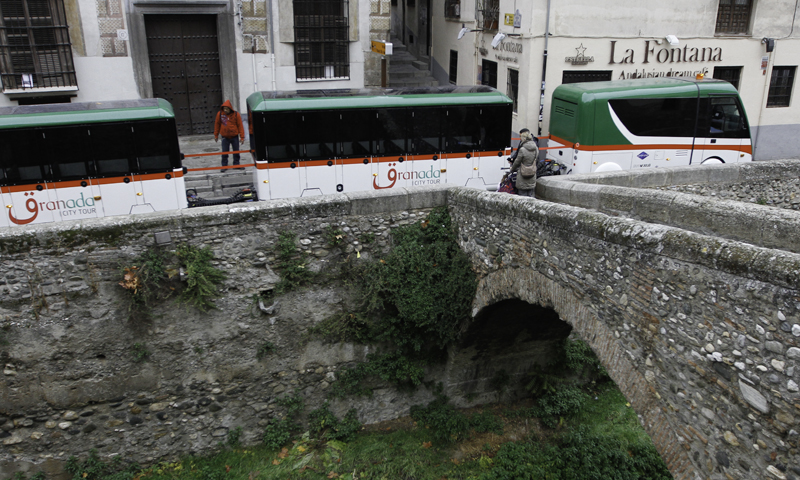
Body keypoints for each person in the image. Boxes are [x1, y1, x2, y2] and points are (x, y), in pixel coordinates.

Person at [214, 100, 245, 172]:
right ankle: (224, 166)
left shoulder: (236, 115)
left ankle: (236, 164)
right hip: (225, 137)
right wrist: (216, 135)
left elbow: (240, 126)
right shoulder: (220, 114)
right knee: (224, 152)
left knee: (236, 151)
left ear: (230, 108)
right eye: (224, 108)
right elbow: (217, 124)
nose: (225, 110)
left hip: (234, 136)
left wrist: (242, 137)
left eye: (227, 109)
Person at [509, 128, 539, 198]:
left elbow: (517, 162)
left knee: (522, 198)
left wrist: (512, 169)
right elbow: (536, 159)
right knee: (531, 196)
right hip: (532, 174)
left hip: (523, 176)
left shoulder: (522, 149)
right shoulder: (536, 148)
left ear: (524, 139)